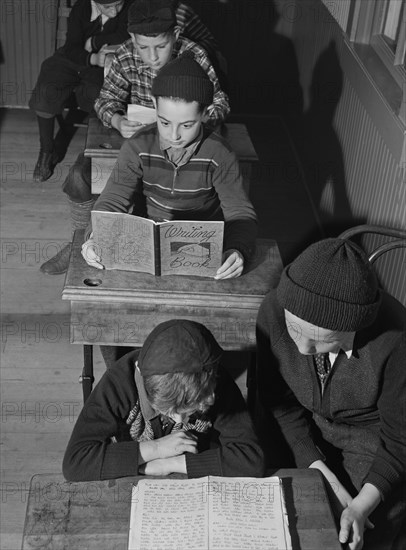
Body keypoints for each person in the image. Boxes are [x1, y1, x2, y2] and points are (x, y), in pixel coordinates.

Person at [40, 0, 229, 276]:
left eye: (161, 47)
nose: (152, 57)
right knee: (80, 176)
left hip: (183, 148)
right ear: (132, 39)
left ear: (175, 36)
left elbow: (220, 102)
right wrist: (117, 120)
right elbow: (105, 100)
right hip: (138, 147)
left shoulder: (194, 53)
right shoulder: (126, 55)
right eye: (143, 47)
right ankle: (81, 240)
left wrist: (190, 124)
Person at [255, 238, 406, 550]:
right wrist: (315, 464)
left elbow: (399, 440)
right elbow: (278, 404)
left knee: (361, 532)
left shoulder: (396, 340)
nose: (300, 348)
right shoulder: (273, 309)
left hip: (372, 436)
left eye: (321, 341)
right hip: (304, 420)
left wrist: (361, 505)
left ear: (353, 329)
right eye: (295, 330)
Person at [82, 51, 255, 280]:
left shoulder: (219, 154)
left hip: (199, 247)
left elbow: (240, 212)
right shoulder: (137, 146)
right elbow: (113, 198)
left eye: (187, 125)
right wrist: (96, 236)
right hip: (145, 240)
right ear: (154, 104)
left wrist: (237, 249)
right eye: (164, 122)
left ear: (205, 113)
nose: (174, 135)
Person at [63, 319, 265, 481]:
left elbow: (251, 459)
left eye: (188, 411)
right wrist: (157, 448)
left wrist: (168, 465)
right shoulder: (118, 384)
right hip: (132, 477)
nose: (179, 422)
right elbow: (76, 463)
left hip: (183, 474)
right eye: (170, 412)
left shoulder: (213, 382)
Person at [29, 0, 133, 183]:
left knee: (100, 95)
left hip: (102, 64)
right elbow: (71, 46)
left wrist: (93, 41)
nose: (115, 12)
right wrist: (92, 57)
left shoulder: (130, 7)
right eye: (108, 7)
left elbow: (125, 34)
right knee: (47, 89)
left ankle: (92, 154)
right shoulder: (81, 8)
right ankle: (46, 150)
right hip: (73, 58)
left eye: (118, 5)